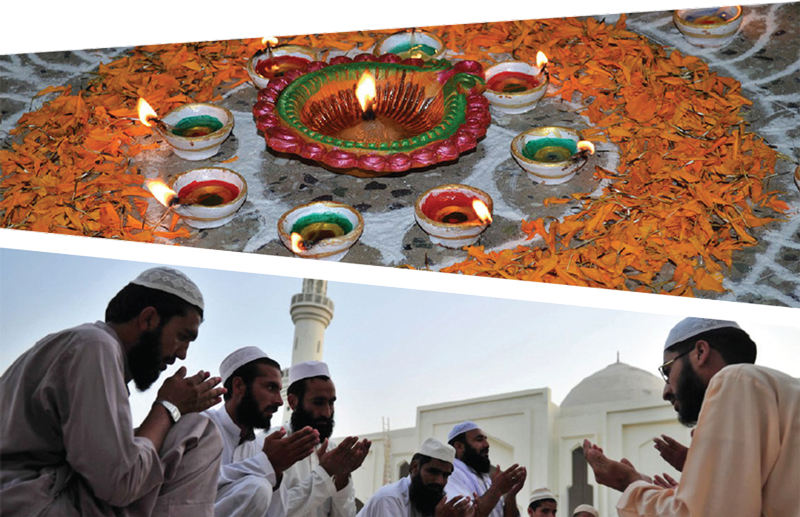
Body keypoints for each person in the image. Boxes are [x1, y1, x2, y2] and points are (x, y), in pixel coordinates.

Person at [0, 266, 226, 516]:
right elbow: (120, 483)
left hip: (45, 492)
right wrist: (168, 407)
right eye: (182, 336)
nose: (182, 354)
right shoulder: (96, 346)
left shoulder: (90, 345)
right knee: (199, 429)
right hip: (31, 500)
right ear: (148, 318)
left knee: (189, 425)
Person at [583, 317, 800, 517]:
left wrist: (631, 483)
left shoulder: (734, 379)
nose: (666, 391)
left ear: (700, 352)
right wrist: (701, 475)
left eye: (668, 372)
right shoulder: (781, 389)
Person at [206, 346, 321, 517]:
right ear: (239, 386)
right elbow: (190, 485)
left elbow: (276, 514)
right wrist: (265, 464)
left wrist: (276, 472)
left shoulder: (259, 446)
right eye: (271, 388)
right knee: (257, 487)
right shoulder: (201, 425)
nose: (279, 401)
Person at [273, 360, 372, 517]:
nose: (327, 412)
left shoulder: (334, 451)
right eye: (318, 402)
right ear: (292, 402)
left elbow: (345, 515)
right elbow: (270, 511)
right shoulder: (271, 445)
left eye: (331, 403)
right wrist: (325, 472)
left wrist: (342, 478)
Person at [357, 437, 471, 517]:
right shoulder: (390, 498)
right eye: (433, 472)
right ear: (415, 467)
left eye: (445, 475)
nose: (440, 481)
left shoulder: (430, 500)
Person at [445, 422, 527, 517]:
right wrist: (497, 489)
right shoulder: (451, 474)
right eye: (479, 440)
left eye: (485, 439)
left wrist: (511, 495)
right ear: (459, 446)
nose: (487, 444)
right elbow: (467, 515)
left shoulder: (485, 479)